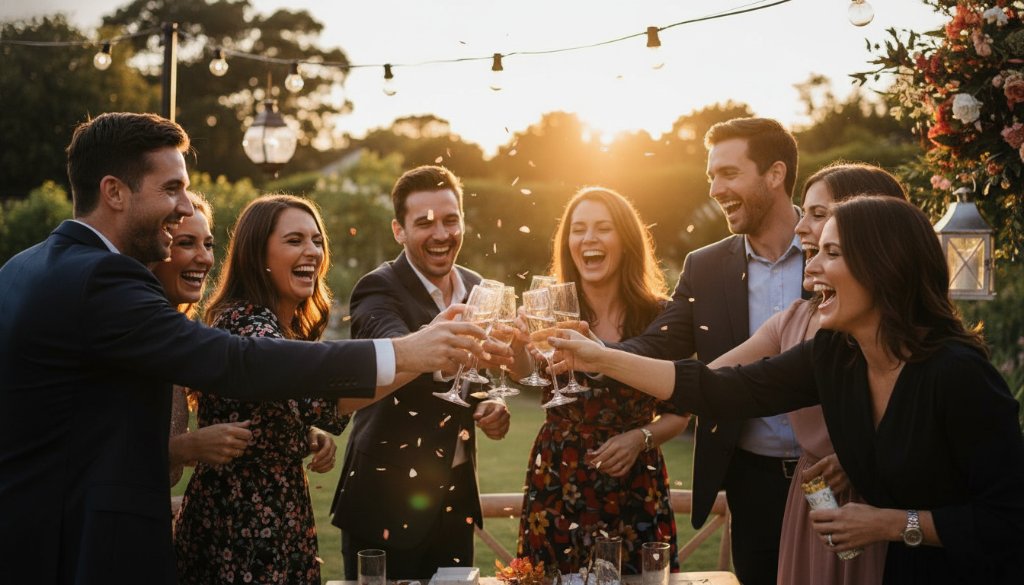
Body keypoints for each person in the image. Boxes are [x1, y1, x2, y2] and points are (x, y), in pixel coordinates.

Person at [0, 112, 486, 585]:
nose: (184, 205)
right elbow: (233, 360)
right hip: (88, 548)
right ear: (114, 192)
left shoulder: (21, 269)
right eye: (171, 188)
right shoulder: (104, 277)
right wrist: (406, 353)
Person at [552, 196, 1024, 585]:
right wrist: (598, 356)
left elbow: (1010, 518)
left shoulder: (958, 375)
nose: (810, 267)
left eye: (831, 254)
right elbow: (719, 390)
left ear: (885, 266)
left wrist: (891, 523)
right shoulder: (837, 356)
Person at [612, 117, 804, 585]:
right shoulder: (705, 265)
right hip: (750, 480)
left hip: (838, 473)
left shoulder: (835, 249)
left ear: (774, 174)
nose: (716, 189)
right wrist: (593, 350)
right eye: (711, 177)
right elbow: (659, 342)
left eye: (729, 174)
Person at [708, 163, 906, 584]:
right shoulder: (800, 320)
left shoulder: (905, 340)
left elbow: (920, 434)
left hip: (879, 510)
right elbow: (709, 381)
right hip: (814, 499)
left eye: (818, 214)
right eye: (806, 213)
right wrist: (598, 359)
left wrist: (859, 461)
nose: (801, 228)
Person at [331, 165, 513, 580]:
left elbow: (478, 376)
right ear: (399, 230)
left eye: (451, 220)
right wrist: (434, 340)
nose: (441, 233)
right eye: (424, 222)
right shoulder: (377, 288)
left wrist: (492, 403)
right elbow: (397, 346)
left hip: (457, 501)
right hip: (385, 502)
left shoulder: (478, 287)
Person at [173, 194, 352, 584]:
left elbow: (292, 409)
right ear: (258, 255)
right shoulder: (245, 322)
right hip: (240, 528)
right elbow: (322, 401)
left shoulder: (285, 325)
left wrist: (305, 434)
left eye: (317, 240)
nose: (313, 251)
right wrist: (418, 358)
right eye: (294, 241)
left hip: (284, 517)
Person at [515, 187, 690, 574]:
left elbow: (680, 414)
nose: (588, 239)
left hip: (635, 482)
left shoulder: (661, 316)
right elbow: (525, 371)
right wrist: (515, 342)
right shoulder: (552, 310)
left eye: (602, 228)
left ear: (626, 239)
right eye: (578, 229)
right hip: (558, 477)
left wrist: (638, 438)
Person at [152, 191, 257, 487]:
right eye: (186, 243)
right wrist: (187, 447)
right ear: (155, 248)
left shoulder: (176, 331)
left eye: (208, 244)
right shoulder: (138, 333)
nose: (205, 258)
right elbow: (102, 453)